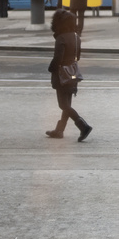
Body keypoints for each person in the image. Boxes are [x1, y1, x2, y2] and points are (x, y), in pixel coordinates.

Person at [45, 8, 92, 141]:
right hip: (73, 73)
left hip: (62, 75)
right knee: (67, 104)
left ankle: (83, 126)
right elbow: (78, 56)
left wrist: (51, 69)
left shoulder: (61, 38)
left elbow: (57, 59)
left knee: (63, 105)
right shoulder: (77, 37)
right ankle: (59, 130)